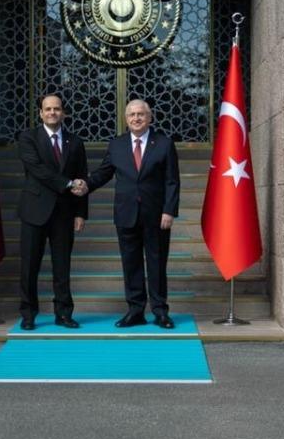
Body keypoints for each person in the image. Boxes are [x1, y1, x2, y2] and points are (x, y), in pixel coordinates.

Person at [78, 99, 180, 328]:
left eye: (141, 114)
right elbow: (103, 173)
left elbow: (172, 181)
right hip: (126, 215)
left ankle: (160, 311)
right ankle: (135, 311)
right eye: (132, 114)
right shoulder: (117, 145)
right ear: (126, 119)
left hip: (156, 216)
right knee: (131, 264)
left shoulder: (163, 144)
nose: (136, 118)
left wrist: (169, 210)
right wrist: (85, 185)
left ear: (150, 117)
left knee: (156, 263)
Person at [15, 93, 87, 330]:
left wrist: (80, 213)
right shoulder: (28, 138)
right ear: (40, 113)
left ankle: (64, 313)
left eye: (57, 109)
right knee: (29, 267)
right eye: (48, 109)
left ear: (63, 112)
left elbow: (82, 178)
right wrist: (67, 184)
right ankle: (28, 314)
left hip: (64, 213)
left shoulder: (75, 142)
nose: (52, 113)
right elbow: (36, 169)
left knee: (62, 266)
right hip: (34, 211)